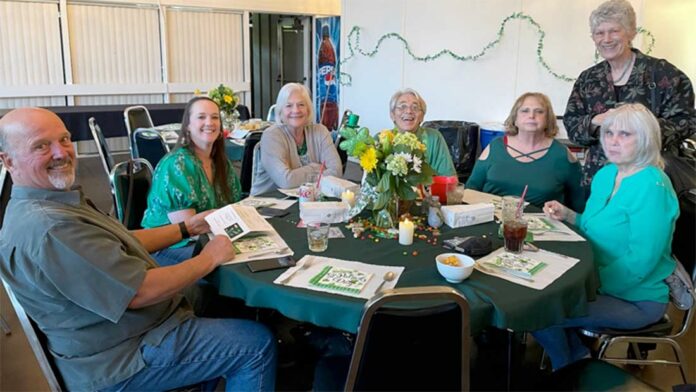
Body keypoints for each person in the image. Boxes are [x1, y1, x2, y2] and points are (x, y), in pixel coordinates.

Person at [0, 108, 276, 391]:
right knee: (255, 344)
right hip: (122, 357)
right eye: (41, 146)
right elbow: (139, 291)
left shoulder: (51, 203)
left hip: (122, 333)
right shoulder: (50, 228)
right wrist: (210, 257)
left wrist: (187, 229)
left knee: (217, 297)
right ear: (8, 160)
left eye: (65, 139)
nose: (61, 152)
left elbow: (120, 240)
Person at [532, 103, 679, 370]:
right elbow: (593, 226)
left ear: (646, 138)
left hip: (635, 297)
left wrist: (584, 284)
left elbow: (641, 261)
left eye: (625, 134)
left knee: (539, 310)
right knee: (535, 296)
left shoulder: (652, 186)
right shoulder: (607, 173)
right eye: (609, 132)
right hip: (594, 281)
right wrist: (568, 214)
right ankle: (576, 357)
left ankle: (570, 368)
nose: (613, 141)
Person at [564, 0, 696, 188]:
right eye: (599, 33)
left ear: (631, 33)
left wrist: (638, 126)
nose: (606, 39)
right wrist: (595, 121)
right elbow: (572, 124)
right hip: (599, 179)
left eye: (614, 31)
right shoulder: (588, 79)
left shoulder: (665, 74)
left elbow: (686, 122)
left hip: (651, 181)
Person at [142, 96, 242, 266]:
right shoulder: (176, 165)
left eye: (215, 117)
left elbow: (233, 207)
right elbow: (189, 229)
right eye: (201, 117)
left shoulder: (220, 162)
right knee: (235, 261)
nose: (209, 122)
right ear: (187, 126)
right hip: (172, 246)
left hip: (208, 236)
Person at [466, 92, 585, 211]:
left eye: (539, 111)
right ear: (515, 119)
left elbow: (579, 205)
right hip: (490, 221)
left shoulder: (562, 155)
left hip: (542, 226)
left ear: (548, 119)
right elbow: (470, 191)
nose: (532, 116)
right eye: (525, 111)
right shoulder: (495, 147)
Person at [251, 83, 342, 195]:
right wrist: (314, 168)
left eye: (301, 105)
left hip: (307, 200)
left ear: (308, 110)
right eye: (288, 105)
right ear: (280, 111)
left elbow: (337, 171)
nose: (296, 110)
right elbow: (286, 181)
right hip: (267, 204)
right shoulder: (272, 136)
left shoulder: (320, 131)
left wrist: (296, 175)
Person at [389, 88, 456, 177]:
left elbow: (450, 180)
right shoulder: (381, 140)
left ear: (422, 117)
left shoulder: (434, 137)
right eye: (402, 106)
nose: (409, 111)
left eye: (415, 107)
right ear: (392, 114)